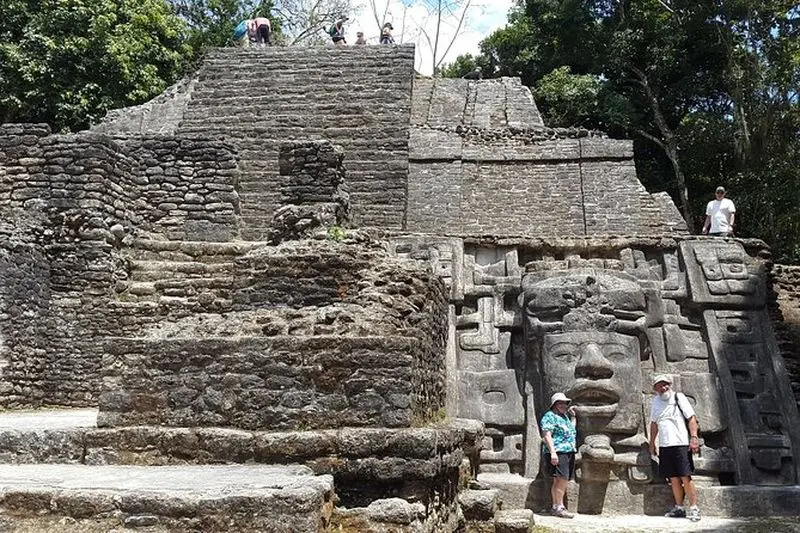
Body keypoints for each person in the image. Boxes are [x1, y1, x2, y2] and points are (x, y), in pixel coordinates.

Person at [649, 375, 701, 522]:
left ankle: (694, 507)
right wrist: (652, 442)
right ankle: (679, 507)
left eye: (665, 384)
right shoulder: (656, 402)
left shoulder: (679, 397)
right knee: (673, 478)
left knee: (685, 476)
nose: (663, 387)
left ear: (669, 385)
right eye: (659, 385)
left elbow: (691, 417)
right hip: (665, 444)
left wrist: (694, 437)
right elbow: (654, 423)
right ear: (656, 388)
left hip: (680, 442)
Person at [541, 392, 577, 519]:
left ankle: (556, 506)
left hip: (568, 451)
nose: (564, 405)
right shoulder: (549, 416)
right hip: (558, 451)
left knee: (559, 480)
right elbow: (547, 435)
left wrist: (573, 418)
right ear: (555, 404)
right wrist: (553, 452)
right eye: (560, 403)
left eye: (565, 403)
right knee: (562, 479)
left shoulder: (564, 417)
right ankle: (559, 506)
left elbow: (570, 431)